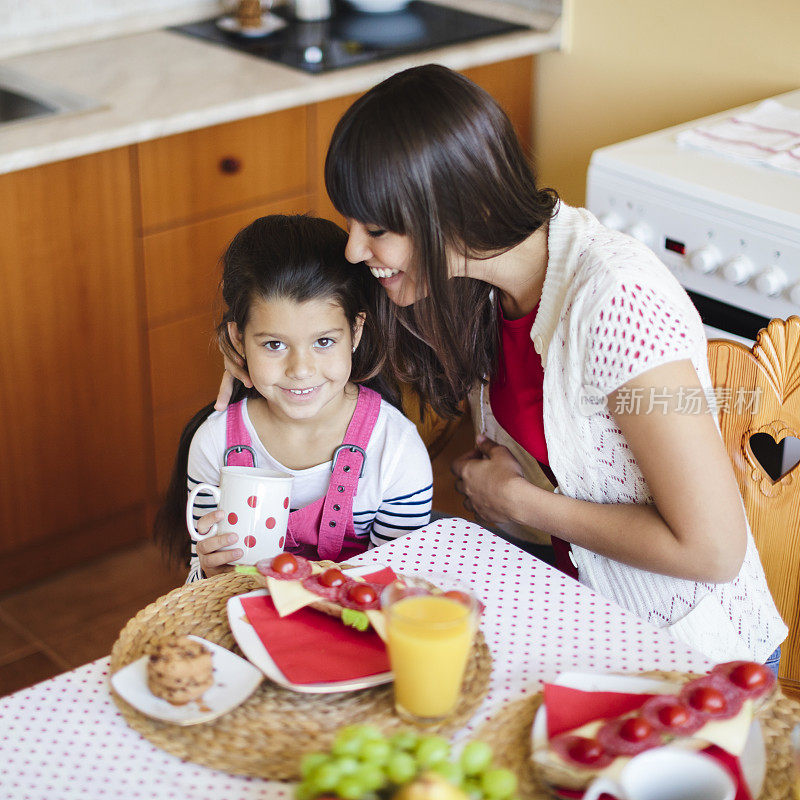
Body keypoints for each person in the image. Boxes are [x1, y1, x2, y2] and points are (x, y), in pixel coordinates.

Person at [218, 66, 786, 668]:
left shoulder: (617, 301)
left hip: (684, 655)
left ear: (458, 209)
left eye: (377, 229)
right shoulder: (475, 287)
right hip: (566, 607)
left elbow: (712, 551)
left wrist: (520, 504)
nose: (355, 248)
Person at [155, 214, 432, 583]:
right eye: (274, 344)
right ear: (238, 340)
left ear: (355, 331)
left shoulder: (395, 449)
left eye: (323, 342)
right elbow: (200, 588)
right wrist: (208, 571)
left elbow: (401, 591)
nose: (300, 369)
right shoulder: (213, 443)